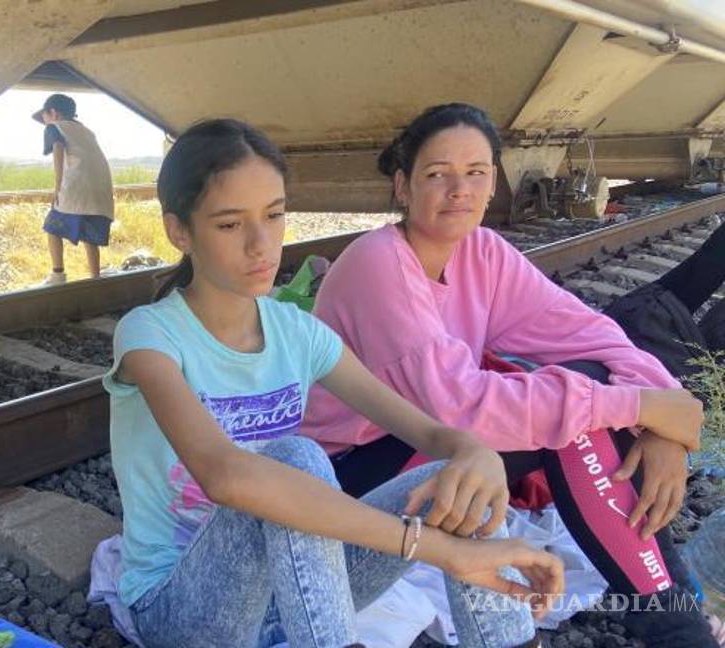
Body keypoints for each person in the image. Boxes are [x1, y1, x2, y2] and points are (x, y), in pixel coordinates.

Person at [104, 118, 562, 648]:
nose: (261, 246)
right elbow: (226, 477)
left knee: (457, 478)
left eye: (274, 216)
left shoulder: (298, 333)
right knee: (295, 459)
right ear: (180, 231)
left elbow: (430, 433)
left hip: (296, 593)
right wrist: (440, 549)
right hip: (186, 610)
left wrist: (472, 452)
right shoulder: (149, 335)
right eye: (230, 225)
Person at [301, 103, 720, 647]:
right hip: (352, 475)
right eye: (437, 174)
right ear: (403, 187)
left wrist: (663, 418)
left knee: (585, 388)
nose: (459, 190)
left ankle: (676, 621)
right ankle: (680, 631)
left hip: (432, 449)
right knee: (575, 417)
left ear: (493, 180)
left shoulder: (483, 252)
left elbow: (590, 335)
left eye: (475, 173)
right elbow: (458, 407)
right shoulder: (377, 262)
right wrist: (641, 410)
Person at [31, 93, 115, 285]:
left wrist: (57, 185)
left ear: (53, 112)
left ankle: (58, 274)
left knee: (52, 228)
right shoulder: (85, 130)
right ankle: (95, 278)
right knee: (90, 236)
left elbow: (58, 149)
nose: (44, 121)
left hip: (77, 187)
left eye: (44, 116)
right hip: (100, 189)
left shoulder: (55, 127)